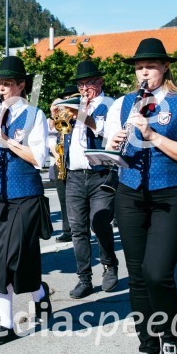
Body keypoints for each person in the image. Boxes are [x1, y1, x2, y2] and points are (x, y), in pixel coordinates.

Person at [104, 38, 177, 354]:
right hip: (130, 193)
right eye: (138, 67)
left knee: (158, 273)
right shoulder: (122, 104)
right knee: (136, 277)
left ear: (164, 68)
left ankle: (170, 338)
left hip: (172, 194)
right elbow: (109, 151)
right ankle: (147, 346)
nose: (143, 72)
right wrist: (113, 144)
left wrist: (153, 136)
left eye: (150, 66)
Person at [0, 56, 51, 347]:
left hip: (25, 196)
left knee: (19, 260)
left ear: (21, 85)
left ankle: (39, 294)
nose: (1, 89)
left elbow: (38, 159)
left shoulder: (35, 114)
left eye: (7, 83)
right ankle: (6, 324)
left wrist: (5, 140)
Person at [61, 60, 118, 298]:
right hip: (74, 174)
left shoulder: (109, 104)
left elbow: (103, 130)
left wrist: (80, 113)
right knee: (77, 229)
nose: (84, 89)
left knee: (100, 222)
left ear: (100, 81)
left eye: (88, 84)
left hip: (100, 173)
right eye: (80, 84)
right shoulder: (74, 104)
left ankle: (109, 265)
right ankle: (84, 278)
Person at [49, 83, 76, 243]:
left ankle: (81, 228)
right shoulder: (56, 119)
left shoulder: (80, 116)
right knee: (63, 199)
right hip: (60, 161)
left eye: (70, 99)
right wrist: (54, 115)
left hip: (78, 163)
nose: (67, 102)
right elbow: (50, 138)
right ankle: (67, 230)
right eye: (64, 99)